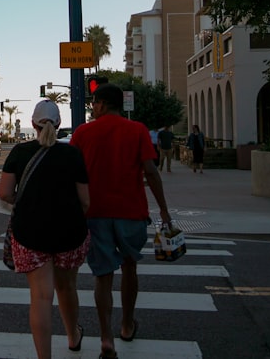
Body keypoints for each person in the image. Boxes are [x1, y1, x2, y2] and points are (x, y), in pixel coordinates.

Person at [70, 84, 172, 359]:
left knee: (102, 276)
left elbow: (72, 174)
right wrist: (163, 210)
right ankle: (127, 325)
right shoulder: (137, 130)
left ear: (101, 104)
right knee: (130, 268)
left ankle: (106, 339)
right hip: (131, 213)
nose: (92, 108)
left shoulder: (82, 133)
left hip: (95, 214)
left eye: (94, 103)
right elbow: (150, 172)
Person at [0, 100, 90, 359]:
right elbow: (85, 201)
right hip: (70, 233)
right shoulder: (73, 154)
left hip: (30, 233)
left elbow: (5, 193)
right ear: (59, 126)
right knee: (67, 288)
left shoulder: (19, 152)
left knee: (40, 297)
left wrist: (26, 202)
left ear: (33, 125)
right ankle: (73, 337)